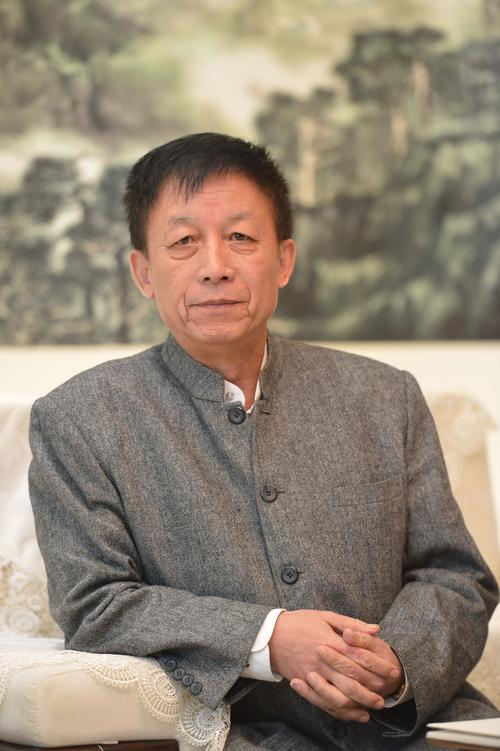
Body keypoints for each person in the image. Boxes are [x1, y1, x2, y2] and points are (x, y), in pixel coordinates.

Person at [29, 133, 499, 750]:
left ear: (283, 260)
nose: (215, 266)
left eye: (240, 237)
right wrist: (267, 638)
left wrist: (395, 662)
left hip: (414, 725)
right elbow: (95, 604)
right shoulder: (79, 419)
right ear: (143, 272)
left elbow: (455, 574)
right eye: (183, 241)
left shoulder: (387, 396)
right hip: (235, 734)